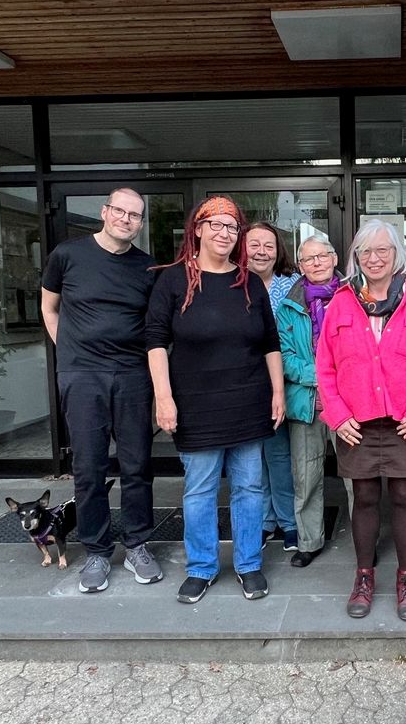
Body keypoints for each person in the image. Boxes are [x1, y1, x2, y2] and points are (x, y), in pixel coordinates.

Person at [145, 196, 284, 604]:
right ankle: (202, 567)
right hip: (196, 404)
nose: (225, 233)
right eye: (217, 225)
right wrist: (163, 398)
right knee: (200, 490)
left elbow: (270, 343)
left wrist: (277, 392)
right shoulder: (173, 281)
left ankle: (248, 565)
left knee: (249, 487)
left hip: (248, 399)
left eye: (232, 227)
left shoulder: (249, 282)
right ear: (199, 229)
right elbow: (155, 342)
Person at [316, 219, 406, 621]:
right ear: (356, 257)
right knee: (366, 498)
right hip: (357, 423)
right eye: (366, 252)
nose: (374, 259)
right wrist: (336, 415)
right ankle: (364, 576)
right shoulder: (341, 302)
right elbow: (326, 367)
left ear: (396, 256)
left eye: (382, 251)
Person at [40, 187, 162, 594]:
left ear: (140, 223)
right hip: (83, 376)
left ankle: (138, 546)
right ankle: (96, 551)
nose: (127, 219)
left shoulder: (147, 268)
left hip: (132, 374)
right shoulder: (67, 255)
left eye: (135, 215)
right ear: (105, 212)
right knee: (89, 468)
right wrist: (71, 352)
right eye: (120, 211)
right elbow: (49, 307)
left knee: (136, 465)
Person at [276, 235, 341, 568]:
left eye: (321, 256)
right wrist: (319, 373)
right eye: (308, 259)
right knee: (307, 476)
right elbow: (283, 357)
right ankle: (309, 541)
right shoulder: (289, 304)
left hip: (349, 404)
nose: (316, 263)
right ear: (300, 266)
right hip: (307, 403)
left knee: (358, 478)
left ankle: (364, 537)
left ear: (334, 258)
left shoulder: (354, 298)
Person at [244, 222, 300, 552]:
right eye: (255, 245)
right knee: (252, 458)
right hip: (244, 383)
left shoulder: (293, 285)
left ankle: (289, 521)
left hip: (283, 383)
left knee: (279, 456)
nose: (262, 251)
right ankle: (264, 521)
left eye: (269, 245)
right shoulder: (232, 284)